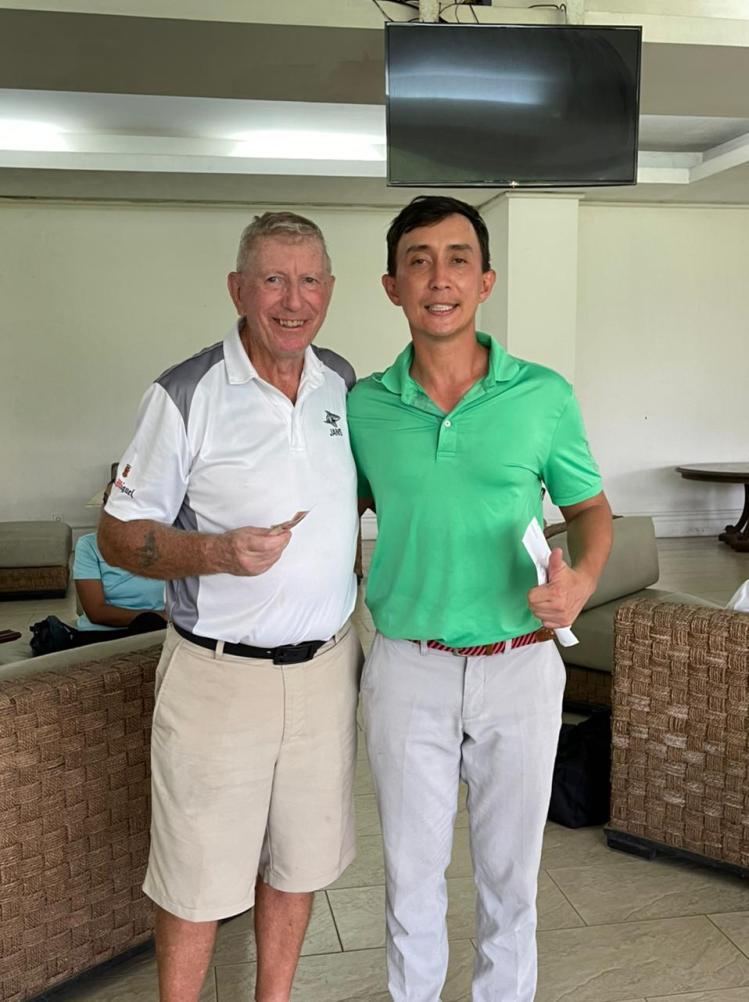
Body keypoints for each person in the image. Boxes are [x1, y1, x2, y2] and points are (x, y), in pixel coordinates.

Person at [347, 195, 613, 1002]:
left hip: (520, 667)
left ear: (485, 280)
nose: (439, 278)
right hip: (406, 669)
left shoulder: (543, 395)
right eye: (418, 261)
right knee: (410, 879)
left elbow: (590, 511)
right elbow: (330, 513)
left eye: (457, 259)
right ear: (391, 286)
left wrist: (580, 582)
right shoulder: (362, 408)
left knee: (510, 880)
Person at [98, 212, 363, 1002]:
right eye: (272, 280)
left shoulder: (341, 381)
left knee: (299, 862)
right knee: (196, 880)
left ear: (330, 290)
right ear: (237, 289)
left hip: (325, 670)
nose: (292, 300)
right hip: (217, 679)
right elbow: (118, 535)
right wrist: (215, 553)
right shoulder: (186, 391)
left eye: (308, 280)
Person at [74, 480, 166, 640]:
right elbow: (96, 612)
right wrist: (158, 616)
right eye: (106, 500)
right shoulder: (88, 546)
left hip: (157, 632)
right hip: (103, 636)